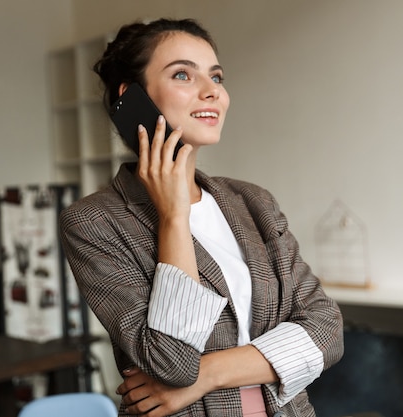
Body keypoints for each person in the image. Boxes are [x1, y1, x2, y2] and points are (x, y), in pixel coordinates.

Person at [59, 18, 344, 417]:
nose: (212, 92)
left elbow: (327, 330)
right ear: (131, 98)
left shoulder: (254, 202)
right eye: (182, 75)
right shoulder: (94, 222)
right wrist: (173, 216)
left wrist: (208, 373)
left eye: (216, 76)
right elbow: (172, 363)